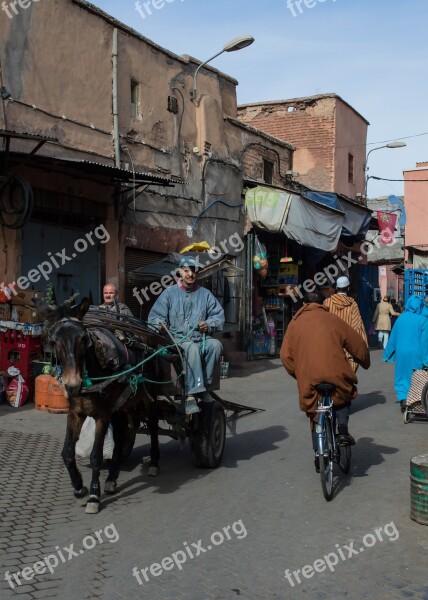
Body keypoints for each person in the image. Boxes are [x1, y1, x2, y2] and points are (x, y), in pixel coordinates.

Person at [280, 291, 370, 472]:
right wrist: (365, 361)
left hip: (309, 379)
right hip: (336, 376)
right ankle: (342, 430)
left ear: (304, 304)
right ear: (323, 304)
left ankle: (317, 453)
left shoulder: (295, 323)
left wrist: (299, 373)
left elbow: (285, 356)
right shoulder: (334, 320)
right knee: (344, 395)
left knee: (314, 412)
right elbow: (358, 345)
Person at [148, 256, 224, 413]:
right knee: (191, 349)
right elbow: (154, 317)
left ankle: (205, 387)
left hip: (199, 338)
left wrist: (208, 324)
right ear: (180, 272)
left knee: (216, 345)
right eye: (186, 270)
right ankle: (193, 392)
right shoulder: (169, 293)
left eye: (194, 271)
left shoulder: (205, 294)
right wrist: (159, 325)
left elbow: (218, 316)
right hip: (176, 339)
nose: (190, 274)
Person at [383, 295, 428, 412]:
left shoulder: (401, 318)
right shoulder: (423, 320)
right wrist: (426, 359)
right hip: (416, 352)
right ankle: (414, 400)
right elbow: (425, 342)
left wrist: (388, 354)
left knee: (402, 375)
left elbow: (393, 337)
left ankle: (403, 399)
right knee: (415, 375)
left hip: (401, 352)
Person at [323, 276, 368, 372]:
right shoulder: (352, 304)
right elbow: (358, 327)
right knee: (347, 383)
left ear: (336, 288)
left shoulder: (326, 303)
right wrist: (363, 350)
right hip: (348, 353)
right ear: (348, 288)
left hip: (329, 350)